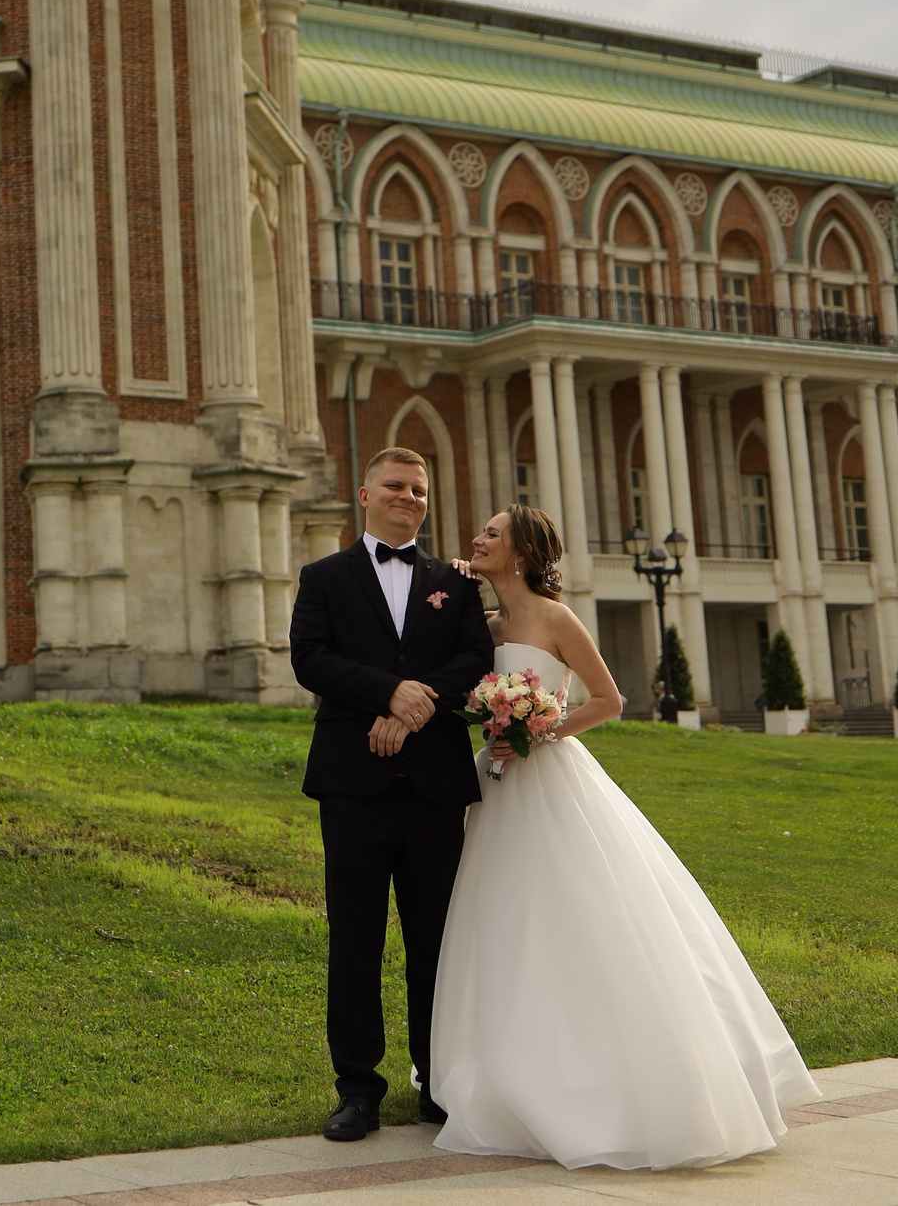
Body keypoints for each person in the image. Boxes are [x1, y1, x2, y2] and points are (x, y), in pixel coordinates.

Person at [427, 506, 820, 1171]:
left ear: (521, 551)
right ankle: (510, 1074)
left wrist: (537, 729)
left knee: (580, 915)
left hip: (548, 777)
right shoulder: (487, 624)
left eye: (492, 533)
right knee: (507, 925)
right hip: (496, 785)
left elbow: (607, 699)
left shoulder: (556, 618)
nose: (479, 538)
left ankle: (626, 1084)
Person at [287, 447, 496, 1143]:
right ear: (364, 492)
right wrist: (385, 691)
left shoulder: (456, 583)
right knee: (356, 939)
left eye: (420, 488)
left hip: (435, 785)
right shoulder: (323, 577)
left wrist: (415, 704)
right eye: (397, 485)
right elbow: (309, 656)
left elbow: (474, 660)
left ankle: (436, 1084)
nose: (409, 496)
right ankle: (357, 1090)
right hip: (353, 783)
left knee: (437, 939)